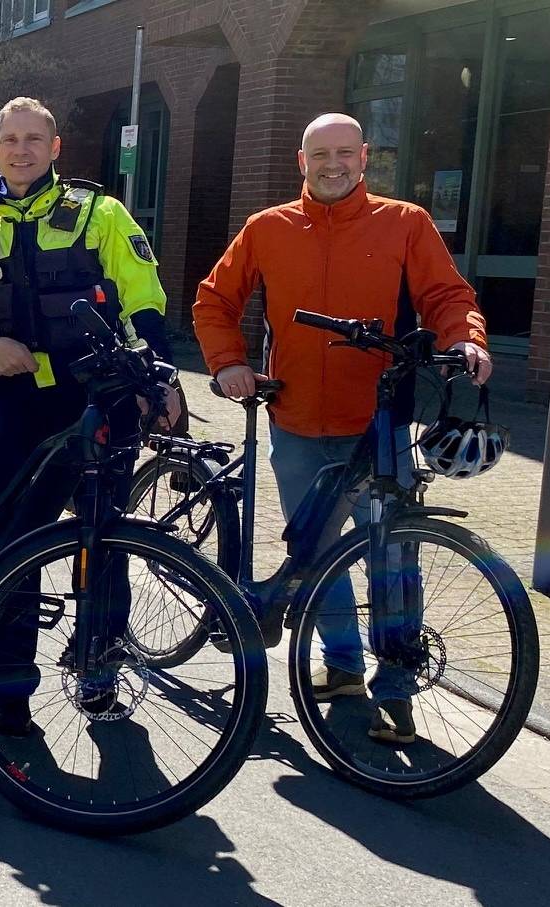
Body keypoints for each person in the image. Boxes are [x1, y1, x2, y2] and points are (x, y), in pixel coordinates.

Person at [195, 112, 489, 745]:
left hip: (380, 423)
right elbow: (214, 299)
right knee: (315, 554)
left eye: (345, 153)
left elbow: (447, 296)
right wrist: (228, 363)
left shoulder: (405, 222)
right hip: (296, 418)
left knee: (393, 556)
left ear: (364, 157)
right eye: (320, 154)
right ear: (302, 162)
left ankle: (397, 689)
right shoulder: (267, 228)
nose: (334, 165)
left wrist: (466, 339)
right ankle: (343, 666)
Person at [0, 97, 181, 737]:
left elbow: (145, 303)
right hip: (19, 405)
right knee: (13, 544)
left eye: (33, 140)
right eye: (10, 140)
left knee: (105, 538)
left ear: (54, 149)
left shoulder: (100, 216)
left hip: (101, 400)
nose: (21, 150)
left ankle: (99, 670)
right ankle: (11, 691)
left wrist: (158, 378)